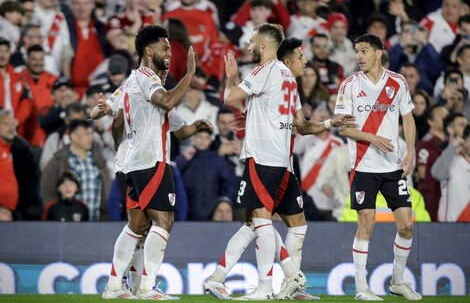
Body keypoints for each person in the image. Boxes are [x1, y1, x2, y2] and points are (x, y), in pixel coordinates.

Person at [205, 31, 353, 300]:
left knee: (280, 223)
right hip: (275, 161)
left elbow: (229, 98)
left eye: (251, 41)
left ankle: (275, 285)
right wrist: (252, 117)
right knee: (260, 223)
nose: (305, 62)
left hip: (268, 161)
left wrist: (232, 77)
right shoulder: (284, 78)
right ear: (287, 58)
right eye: (301, 57)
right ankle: (265, 283)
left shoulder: (269, 71)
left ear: (263, 45)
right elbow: (299, 124)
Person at [99, 25, 201, 300]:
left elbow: (177, 126)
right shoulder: (145, 77)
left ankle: (112, 286)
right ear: (148, 50)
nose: (169, 52)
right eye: (165, 47)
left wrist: (198, 126)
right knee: (164, 221)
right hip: (149, 160)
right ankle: (146, 287)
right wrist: (190, 73)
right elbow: (166, 102)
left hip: (134, 162)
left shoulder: (137, 82)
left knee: (137, 225)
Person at [334, 33, 421, 300]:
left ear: (379, 52)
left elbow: (408, 118)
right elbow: (344, 129)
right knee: (367, 224)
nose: (359, 56)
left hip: (392, 166)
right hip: (363, 166)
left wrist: (411, 151)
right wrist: (371, 137)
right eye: (356, 51)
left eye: (363, 51)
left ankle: (397, 281)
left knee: (406, 224)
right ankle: (362, 288)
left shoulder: (397, 82)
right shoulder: (348, 85)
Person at [40, 119, 111, 221]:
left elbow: (106, 189)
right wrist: (57, 213)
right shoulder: (58, 161)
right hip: (67, 223)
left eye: (91, 133)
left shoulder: (99, 161)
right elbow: (46, 190)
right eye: (86, 134)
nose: (91, 137)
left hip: (97, 222)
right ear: (73, 136)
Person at [431, 116, 469, 222]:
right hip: (451, 223)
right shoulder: (450, 159)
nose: (465, 127)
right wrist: (452, 147)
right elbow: (437, 173)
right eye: (461, 125)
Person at [416, 104, 448, 221]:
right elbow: (422, 173)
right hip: (431, 196)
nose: (446, 119)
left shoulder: (449, 143)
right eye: (442, 117)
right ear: (430, 121)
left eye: (447, 116)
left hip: (445, 194)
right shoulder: (426, 144)